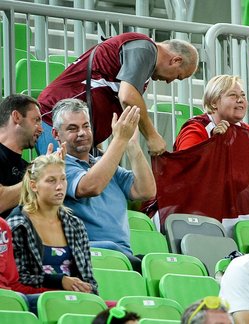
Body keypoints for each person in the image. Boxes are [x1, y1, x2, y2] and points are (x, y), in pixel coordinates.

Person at [37, 32, 200, 156]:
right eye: (178, 76)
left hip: (75, 133)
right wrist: (152, 136)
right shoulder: (145, 49)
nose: (170, 82)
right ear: (176, 60)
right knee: (60, 192)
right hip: (54, 121)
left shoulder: (144, 61)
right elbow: (127, 96)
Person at [51, 98, 156, 272]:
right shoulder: (57, 165)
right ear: (55, 134)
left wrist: (132, 145)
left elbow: (146, 191)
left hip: (123, 256)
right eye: (72, 128)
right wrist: (120, 140)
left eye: (86, 126)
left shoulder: (105, 164)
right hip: (91, 255)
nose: (82, 133)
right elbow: (91, 186)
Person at [7, 154, 97, 296]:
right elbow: (18, 279)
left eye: (63, 179)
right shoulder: (18, 225)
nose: (60, 186)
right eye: (51, 181)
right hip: (38, 299)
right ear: (33, 185)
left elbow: (88, 278)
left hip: (75, 299)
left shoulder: (76, 225)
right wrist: (60, 281)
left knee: (120, 312)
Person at [173, 75, 249, 151]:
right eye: (233, 95)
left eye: (243, 95)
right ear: (213, 102)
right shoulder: (195, 130)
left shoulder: (248, 131)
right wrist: (213, 142)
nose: (240, 100)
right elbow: (186, 163)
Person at [0, 94, 44, 218]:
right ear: (17, 117)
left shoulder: (27, 167)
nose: (41, 129)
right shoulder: (33, 175)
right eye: (36, 120)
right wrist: (41, 176)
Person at [0, 217, 49, 314]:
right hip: (7, 298)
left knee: (51, 301)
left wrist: (53, 292)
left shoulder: (2, 225)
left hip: (10, 295)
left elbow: (12, 283)